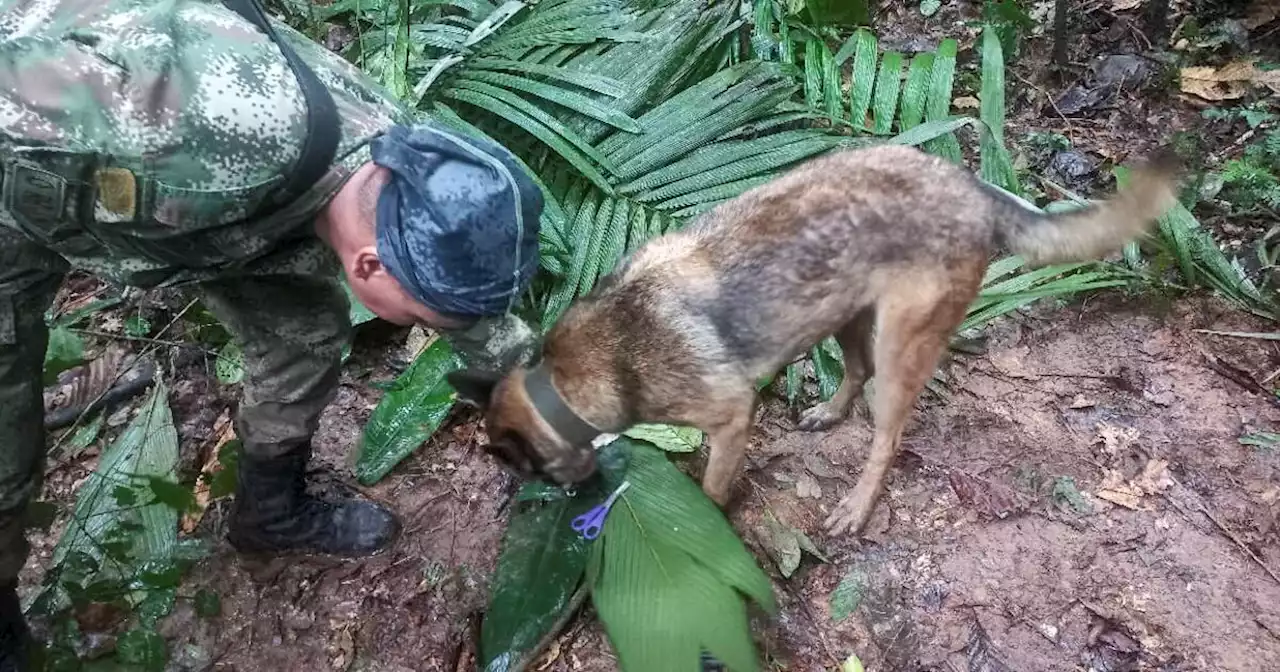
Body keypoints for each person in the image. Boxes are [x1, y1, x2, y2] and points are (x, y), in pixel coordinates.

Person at [0, 0, 544, 667]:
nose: (439, 327)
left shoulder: (405, 169)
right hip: (21, 194)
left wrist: (552, 411)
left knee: (303, 337)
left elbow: (471, 310)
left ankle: (269, 510)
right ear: (367, 265)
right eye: (428, 315)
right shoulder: (199, 133)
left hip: (211, 219)